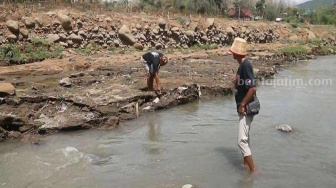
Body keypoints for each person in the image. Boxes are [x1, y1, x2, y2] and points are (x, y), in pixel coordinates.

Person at [230, 38, 258, 175]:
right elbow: (243, 84)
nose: (232, 53)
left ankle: (253, 171)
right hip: (244, 107)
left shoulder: (246, 65)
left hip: (246, 108)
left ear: (236, 53)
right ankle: (245, 164)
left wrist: (242, 104)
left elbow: (252, 88)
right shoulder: (242, 66)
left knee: (241, 141)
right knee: (246, 137)